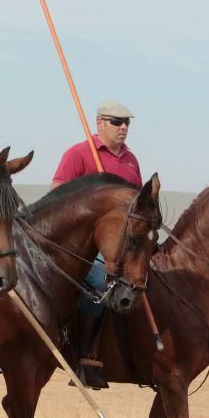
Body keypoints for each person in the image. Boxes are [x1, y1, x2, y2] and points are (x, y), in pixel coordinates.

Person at [51, 100, 143, 388]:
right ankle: (85, 353)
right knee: (103, 282)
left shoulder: (131, 161)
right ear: (100, 123)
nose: (123, 127)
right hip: (81, 250)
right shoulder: (78, 154)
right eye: (117, 122)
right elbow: (56, 196)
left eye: (127, 122)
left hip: (122, 246)